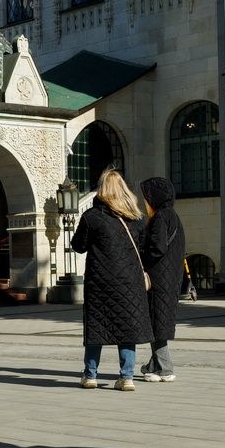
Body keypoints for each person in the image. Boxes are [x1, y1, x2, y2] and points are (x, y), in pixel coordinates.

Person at [70, 168, 153, 391]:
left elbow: (78, 246)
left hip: (100, 281)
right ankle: (127, 377)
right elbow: (144, 249)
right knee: (127, 329)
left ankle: (90, 375)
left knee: (96, 327)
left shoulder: (92, 217)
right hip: (130, 282)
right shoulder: (136, 218)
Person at [139, 177, 185, 383]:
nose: (144, 202)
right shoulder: (173, 216)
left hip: (158, 279)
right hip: (170, 278)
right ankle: (154, 366)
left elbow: (156, 248)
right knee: (159, 321)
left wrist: (140, 257)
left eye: (146, 197)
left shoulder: (160, 218)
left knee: (156, 323)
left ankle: (165, 368)